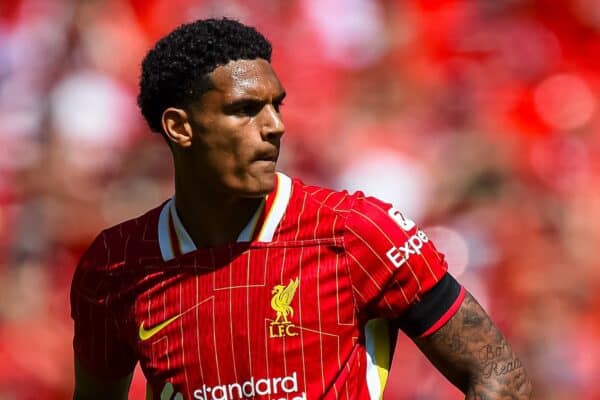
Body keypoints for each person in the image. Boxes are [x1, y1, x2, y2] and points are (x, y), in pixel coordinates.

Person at [71, 18, 532, 400]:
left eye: (277, 106)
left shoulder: (355, 232)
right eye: (246, 109)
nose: (276, 126)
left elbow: (498, 375)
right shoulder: (116, 264)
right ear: (181, 128)